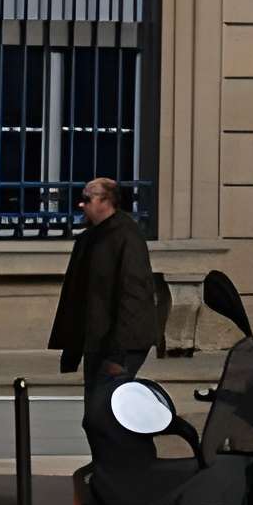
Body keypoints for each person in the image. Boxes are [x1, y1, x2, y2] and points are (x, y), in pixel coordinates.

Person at [52, 176, 168, 476]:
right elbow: (80, 297)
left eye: (88, 198)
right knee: (97, 416)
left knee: (107, 414)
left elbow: (133, 295)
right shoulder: (94, 238)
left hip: (118, 344)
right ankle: (108, 470)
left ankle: (129, 472)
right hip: (99, 341)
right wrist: (72, 347)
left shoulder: (125, 236)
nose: (81, 203)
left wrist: (119, 354)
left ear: (106, 201)